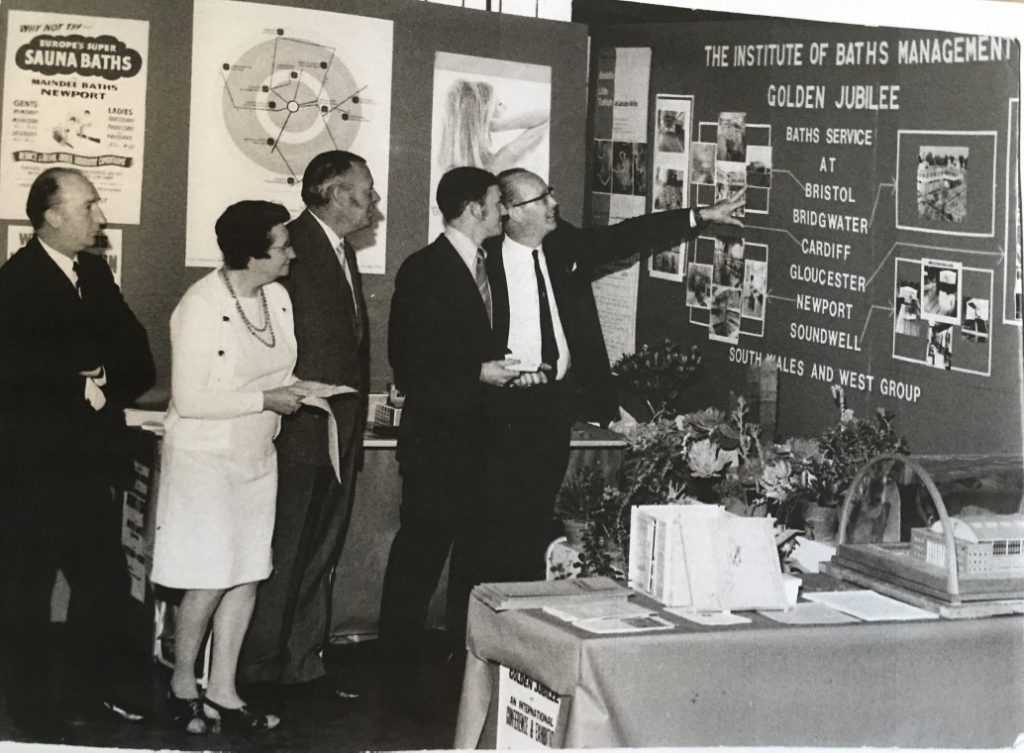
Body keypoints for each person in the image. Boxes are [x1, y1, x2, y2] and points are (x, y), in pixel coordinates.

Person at [476, 169, 745, 583]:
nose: (553, 204)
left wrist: (702, 215)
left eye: (550, 193)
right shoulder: (483, 261)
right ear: (509, 212)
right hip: (499, 411)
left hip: (556, 406)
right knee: (495, 524)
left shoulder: (564, 246)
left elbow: (629, 235)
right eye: (540, 200)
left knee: (539, 520)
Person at [0, 167, 155, 743]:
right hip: (32, 473)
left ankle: (90, 694)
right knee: (27, 593)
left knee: (105, 586)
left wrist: (94, 375)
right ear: (51, 215)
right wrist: (82, 377)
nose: (101, 216)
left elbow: (138, 358)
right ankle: (33, 715)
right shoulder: (16, 284)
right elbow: (23, 381)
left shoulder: (92, 270)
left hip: (87, 468)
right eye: (89, 205)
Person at [151, 200, 304, 735]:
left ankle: (224, 690)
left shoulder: (278, 300)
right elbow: (191, 399)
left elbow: (277, 372)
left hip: (257, 457)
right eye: (282, 245)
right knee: (209, 576)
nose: (291, 252)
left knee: (246, 574)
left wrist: (294, 396)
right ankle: (182, 685)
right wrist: (267, 399)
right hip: (205, 460)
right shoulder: (199, 304)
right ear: (252, 253)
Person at [239, 150, 377, 699]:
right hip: (300, 432)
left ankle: (300, 665)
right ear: (338, 194)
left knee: (320, 551)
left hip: (337, 432)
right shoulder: (287, 247)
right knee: (286, 551)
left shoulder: (338, 249)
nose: (374, 201)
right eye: (366, 191)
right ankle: (258, 667)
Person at [379, 167, 523, 660]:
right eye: (496, 201)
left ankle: (464, 648)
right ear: (472, 208)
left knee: (475, 551)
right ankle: (396, 654)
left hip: (484, 441)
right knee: (422, 549)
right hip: (437, 443)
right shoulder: (424, 269)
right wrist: (476, 373)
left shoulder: (493, 266)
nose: (504, 210)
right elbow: (409, 360)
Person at [437, 79, 548, 175]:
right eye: (499, 104)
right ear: (486, 116)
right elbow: (549, 117)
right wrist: (498, 125)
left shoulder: (444, 164)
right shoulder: (497, 163)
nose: (506, 107)